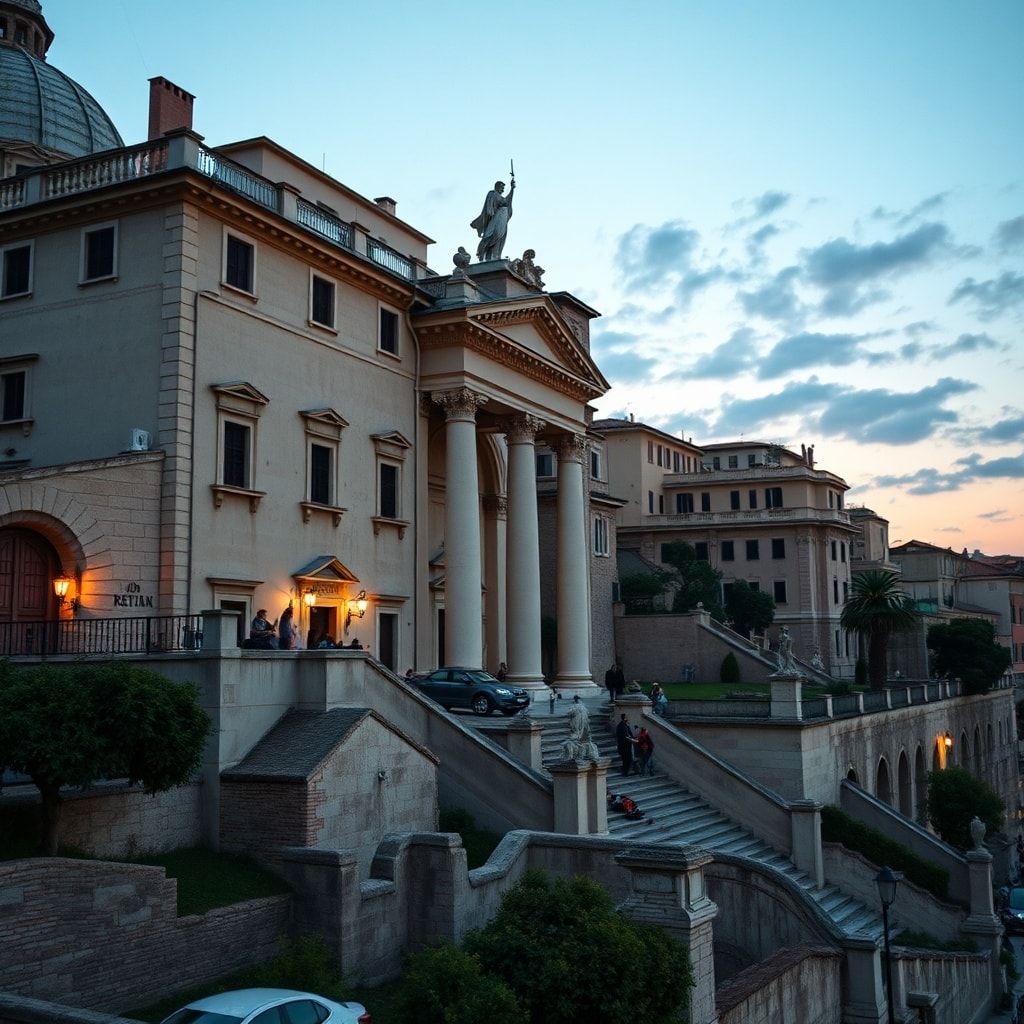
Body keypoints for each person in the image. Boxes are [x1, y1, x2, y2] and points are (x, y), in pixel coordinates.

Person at [470, 179, 514, 261]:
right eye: (501, 187)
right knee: (492, 235)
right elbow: (490, 209)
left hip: (501, 219)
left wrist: (512, 189)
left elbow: (507, 201)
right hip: (496, 218)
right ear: (497, 187)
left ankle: (494, 255)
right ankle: (483, 253)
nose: (503, 190)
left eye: (503, 188)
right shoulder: (492, 194)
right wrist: (490, 213)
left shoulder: (500, 197)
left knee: (499, 237)